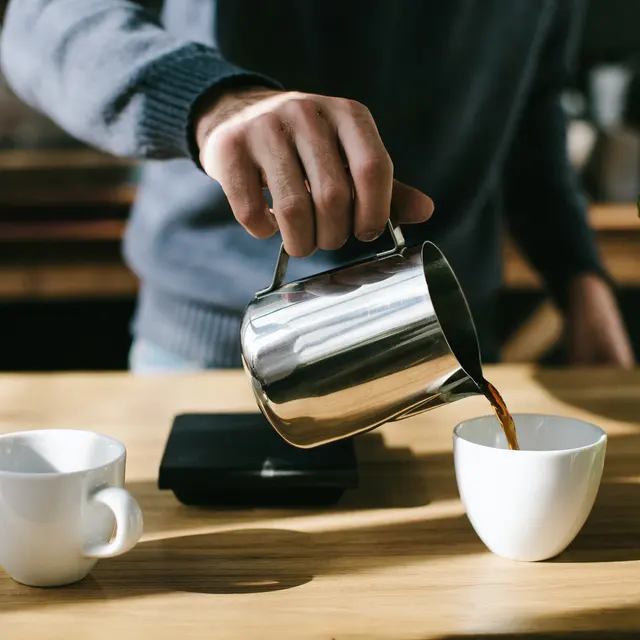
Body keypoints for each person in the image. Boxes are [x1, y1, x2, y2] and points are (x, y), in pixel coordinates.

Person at [1, 0, 634, 372]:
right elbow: (48, 19)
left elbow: (531, 105)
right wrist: (214, 102)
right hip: (221, 353)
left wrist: (579, 279)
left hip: (447, 343)